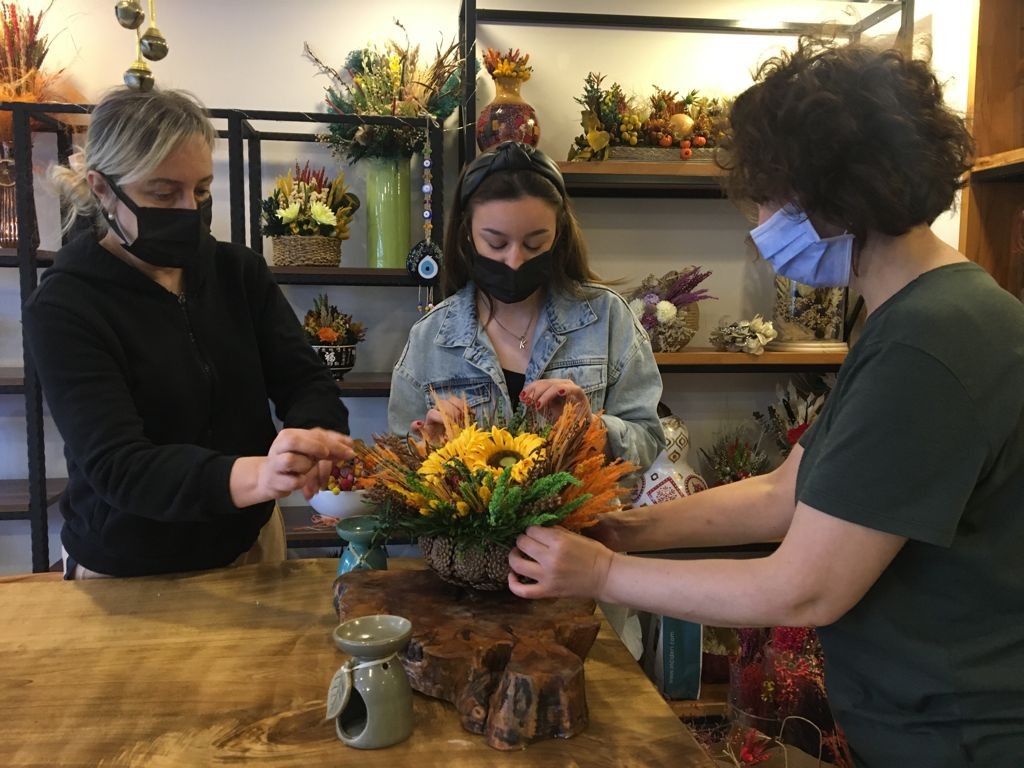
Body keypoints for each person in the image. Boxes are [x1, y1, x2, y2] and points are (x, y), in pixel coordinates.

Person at [508, 41, 1024, 767]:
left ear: (832, 191)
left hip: (960, 734)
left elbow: (805, 588)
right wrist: (625, 532)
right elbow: (790, 491)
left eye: (768, 196)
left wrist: (601, 576)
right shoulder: (910, 318)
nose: (758, 217)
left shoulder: (930, 344)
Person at [25, 87, 353, 579]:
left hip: (253, 544)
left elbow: (306, 381)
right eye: (162, 193)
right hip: (129, 570)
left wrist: (307, 437)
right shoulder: (66, 305)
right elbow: (120, 465)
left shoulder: (238, 273)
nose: (187, 210)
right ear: (101, 188)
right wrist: (258, 475)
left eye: (199, 191)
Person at [388, 141, 665, 469]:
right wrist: (431, 450)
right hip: (469, 520)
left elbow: (648, 441)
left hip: (585, 521)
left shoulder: (606, 319)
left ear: (558, 235)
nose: (515, 260)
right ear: (467, 235)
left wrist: (590, 428)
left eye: (535, 244)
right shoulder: (429, 339)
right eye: (496, 243)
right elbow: (397, 466)